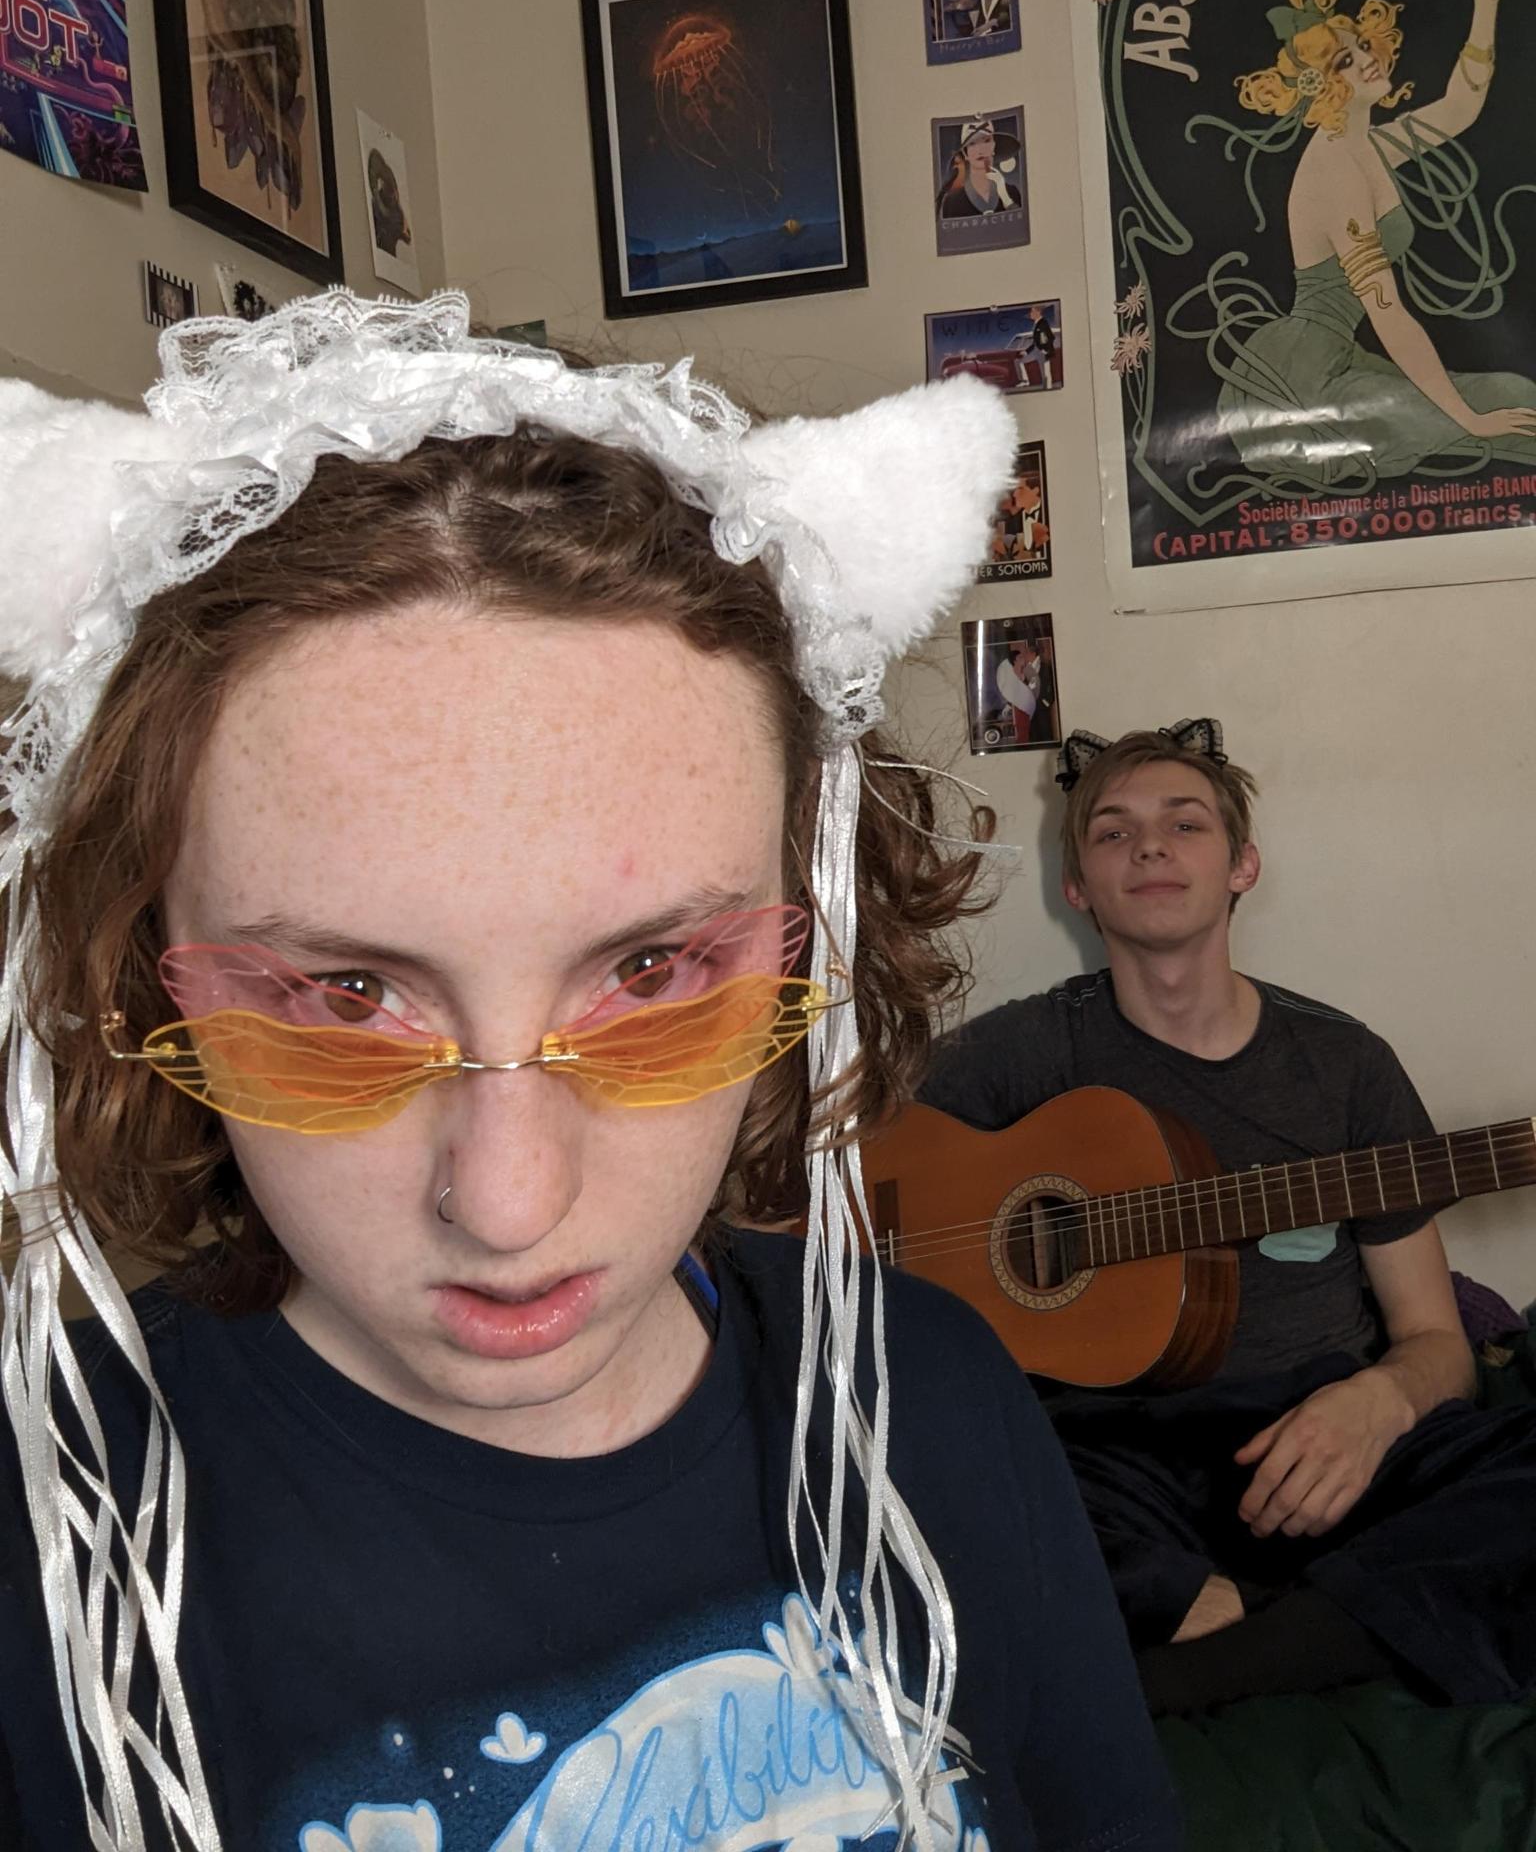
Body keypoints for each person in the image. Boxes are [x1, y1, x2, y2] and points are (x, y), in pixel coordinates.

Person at [0, 295, 1182, 1851]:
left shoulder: (934, 1403)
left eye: (651, 974)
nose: (507, 1201)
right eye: (345, 995)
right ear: (134, 956)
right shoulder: (43, 1551)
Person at [922, 719, 1536, 1715]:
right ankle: (1320, 1627)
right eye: (1113, 831)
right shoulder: (1022, 1052)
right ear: (1078, 884)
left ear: (1242, 863)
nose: (1150, 846)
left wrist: (1376, 1402)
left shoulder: (1346, 1065)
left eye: (1184, 822)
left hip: (1317, 1427)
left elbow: (1436, 1338)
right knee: (928, 1488)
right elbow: (852, 1166)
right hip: (1106, 1451)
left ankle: (1204, 1651)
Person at [1207, 0, 1536, 485]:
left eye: (1361, 45)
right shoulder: (1334, 171)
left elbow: (1461, 106)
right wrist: (1469, 420)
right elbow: (1388, 313)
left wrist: (1485, 4)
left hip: (1344, 361)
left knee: (1518, 395)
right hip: (1307, 381)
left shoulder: (1370, 143)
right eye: (1344, 61)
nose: (1366, 60)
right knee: (1499, 409)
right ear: (1320, 86)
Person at [937, 117, 1022, 220]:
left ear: (994, 147)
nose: (980, 150)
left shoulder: (1012, 193)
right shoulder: (951, 202)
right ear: (965, 153)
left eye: (986, 141)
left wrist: (1006, 198)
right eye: (972, 144)